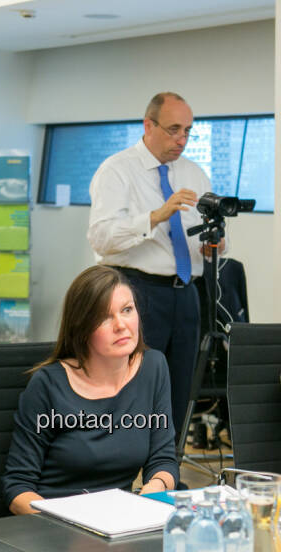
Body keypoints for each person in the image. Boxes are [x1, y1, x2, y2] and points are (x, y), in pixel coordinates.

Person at [88, 91, 216, 441]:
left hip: (187, 293)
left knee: (178, 390)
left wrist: (213, 245)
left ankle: (166, 475)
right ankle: (122, 477)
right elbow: (101, 238)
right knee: (132, 390)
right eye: (174, 129)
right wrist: (157, 216)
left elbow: (209, 239)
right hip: (136, 292)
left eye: (188, 131)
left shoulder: (194, 173)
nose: (182, 139)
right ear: (149, 125)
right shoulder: (117, 170)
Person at [3, 266, 179, 515]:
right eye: (105, 317)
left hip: (119, 524)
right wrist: (63, 525)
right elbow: (17, 487)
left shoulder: (153, 367)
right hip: (53, 526)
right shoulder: (48, 385)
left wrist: (155, 487)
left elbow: (164, 459)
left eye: (127, 310)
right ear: (82, 328)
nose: (121, 325)